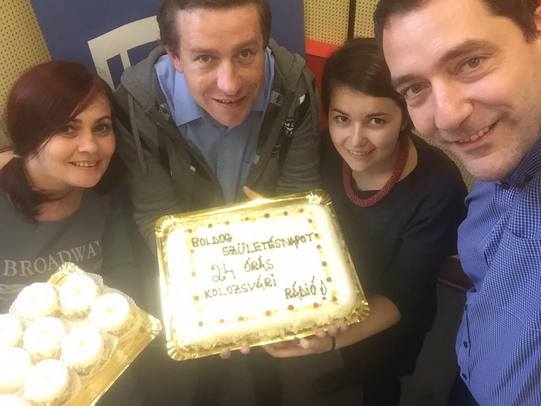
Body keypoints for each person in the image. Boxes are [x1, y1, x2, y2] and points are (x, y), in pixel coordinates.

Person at [114, 0, 320, 404]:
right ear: (174, 56)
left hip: (270, 262)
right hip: (198, 273)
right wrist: (215, 295)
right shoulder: (136, 105)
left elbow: (300, 194)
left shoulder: (296, 85)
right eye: (205, 58)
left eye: (245, 54)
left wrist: (267, 281)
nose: (229, 84)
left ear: (264, 43)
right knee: (208, 367)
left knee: (267, 366)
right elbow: (155, 214)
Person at [263, 38, 467, 406]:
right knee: (353, 358)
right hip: (336, 300)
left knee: (382, 375)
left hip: (391, 316)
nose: (355, 140)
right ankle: (349, 369)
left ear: (405, 117)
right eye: (341, 118)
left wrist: (331, 340)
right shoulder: (321, 152)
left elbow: (404, 292)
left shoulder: (439, 185)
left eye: (376, 120)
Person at [374, 0, 541, 404]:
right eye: (415, 88)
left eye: (471, 62)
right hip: (473, 372)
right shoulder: (500, 149)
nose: (446, 117)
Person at [0, 60, 141, 404]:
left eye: (101, 127)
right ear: (30, 135)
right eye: (67, 129)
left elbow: (123, 280)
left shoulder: (110, 195)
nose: (90, 146)